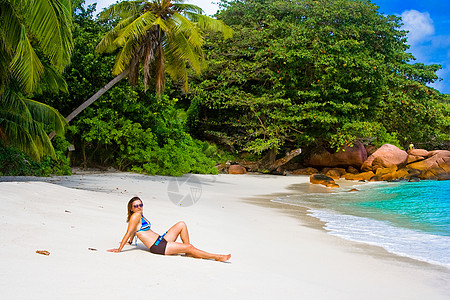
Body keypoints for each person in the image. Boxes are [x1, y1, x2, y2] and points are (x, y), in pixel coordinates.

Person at [108, 196, 231, 262]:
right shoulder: (136, 216)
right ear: (131, 208)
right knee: (190, 246)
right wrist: (120, 249)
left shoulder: (138, 216)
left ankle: (188, 253)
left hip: (161, 240)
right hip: (158, 247)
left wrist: (130, 241)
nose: (139, 207)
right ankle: (217, 256)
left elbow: (133, 231)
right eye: (136, 206)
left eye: (141, 204)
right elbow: (129, 231)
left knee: (181, 224)